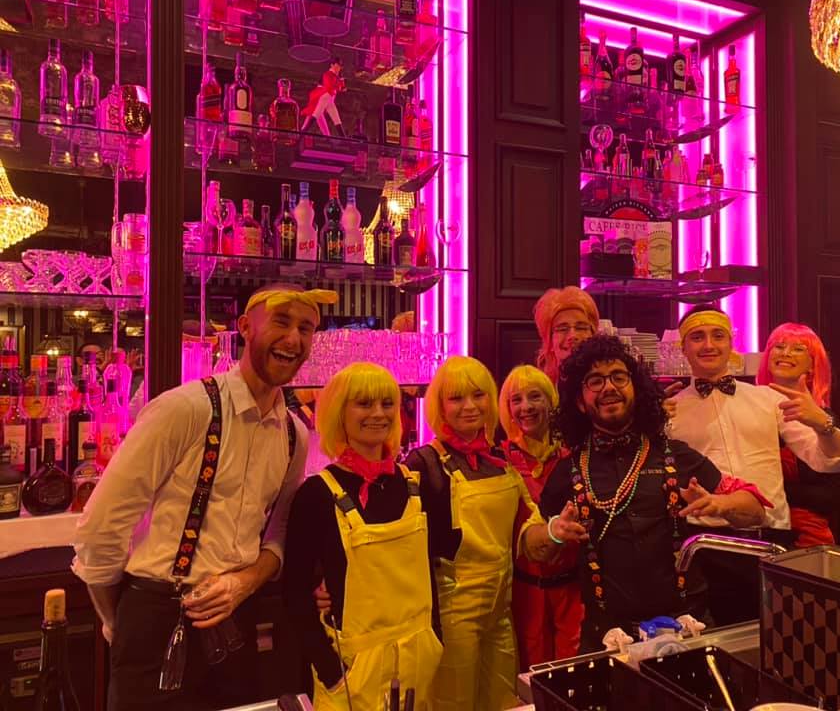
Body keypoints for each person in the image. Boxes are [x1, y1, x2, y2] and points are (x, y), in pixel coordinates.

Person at [72, 283, 337, 711]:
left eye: (306, 328)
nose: (294, 339)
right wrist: (121, 622)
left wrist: (244, 582)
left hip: (238, 619)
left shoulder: (294, 434)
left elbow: (279, 535)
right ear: (245, 328)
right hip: (157, 614)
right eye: (282, 322)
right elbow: (100, 529)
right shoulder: (184, 409)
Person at [541, 334, 768, 650]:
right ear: (579, 401)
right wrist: (554, 532)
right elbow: (536, 548)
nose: (609, 387)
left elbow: (755, 509)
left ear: (635, 389)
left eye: (618, 377)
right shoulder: (568, 470)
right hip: (608, 636)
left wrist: (720, 504)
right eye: (595, 381)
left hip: (687, 627)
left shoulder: (676, 454)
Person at [403, 356, 585, 711]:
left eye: (478, 395)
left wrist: (555, 531)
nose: (470, 406)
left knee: (504, 702)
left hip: (502, 612)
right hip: (452, 616)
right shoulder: (422, 464)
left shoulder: (499, 461)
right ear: (440, 406)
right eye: (457, 398)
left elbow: (527, 531)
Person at [666, 305, 840, 624]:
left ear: (731, 343)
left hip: (770, 538)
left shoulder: (768, 399)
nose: (708, 344)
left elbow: (829, 461)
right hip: (707, 543)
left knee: (784, 631)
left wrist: (823, 424)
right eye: (697, 337)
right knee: (720, 637)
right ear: (683, 348)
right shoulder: (672, 412)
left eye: (717, 335)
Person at [283, 362, 441, 710]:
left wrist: (436, 638)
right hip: (352, 671)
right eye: (364, 404)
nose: (378, 414)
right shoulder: (317, 493)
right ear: (340, 412)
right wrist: (330, 671)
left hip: (419, 661)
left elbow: (427, 570)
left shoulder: (414, 484)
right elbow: (294, 592)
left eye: (387, 403)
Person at [498, 365, 583, 667]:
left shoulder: (575, 457)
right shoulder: (499, 460)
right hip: (524, 593)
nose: (526, 407)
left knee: (573, 673)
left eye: (535, 396)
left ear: (550, 401)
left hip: (572, 589)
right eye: (516, 400)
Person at [757, 323, 840, 547]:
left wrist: (774, 490)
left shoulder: (823, 418)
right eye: (779, 346)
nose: (786, 353)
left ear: (813, 365)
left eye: (798, 349)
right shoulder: (749, 407)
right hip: (755, 530)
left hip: (805, 537)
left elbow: (836, 493)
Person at [533, 286, 599, 384]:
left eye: (581, 328)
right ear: (549, 341)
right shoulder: (539, 386)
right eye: (562, 329)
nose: (572, 336)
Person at [301, 57, 346, 136]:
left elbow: (342, 87)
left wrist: (341, 80)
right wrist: (339, 86)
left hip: (330, 98)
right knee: (316, 115)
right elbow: (330, 87)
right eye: (337, 66)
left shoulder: (336, 76)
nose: (338, 68)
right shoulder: (327, 74)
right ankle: (302, 134)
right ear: (332, 65)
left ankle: (343, 138)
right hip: (325, 96)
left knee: (335, 118)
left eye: (339, 67)